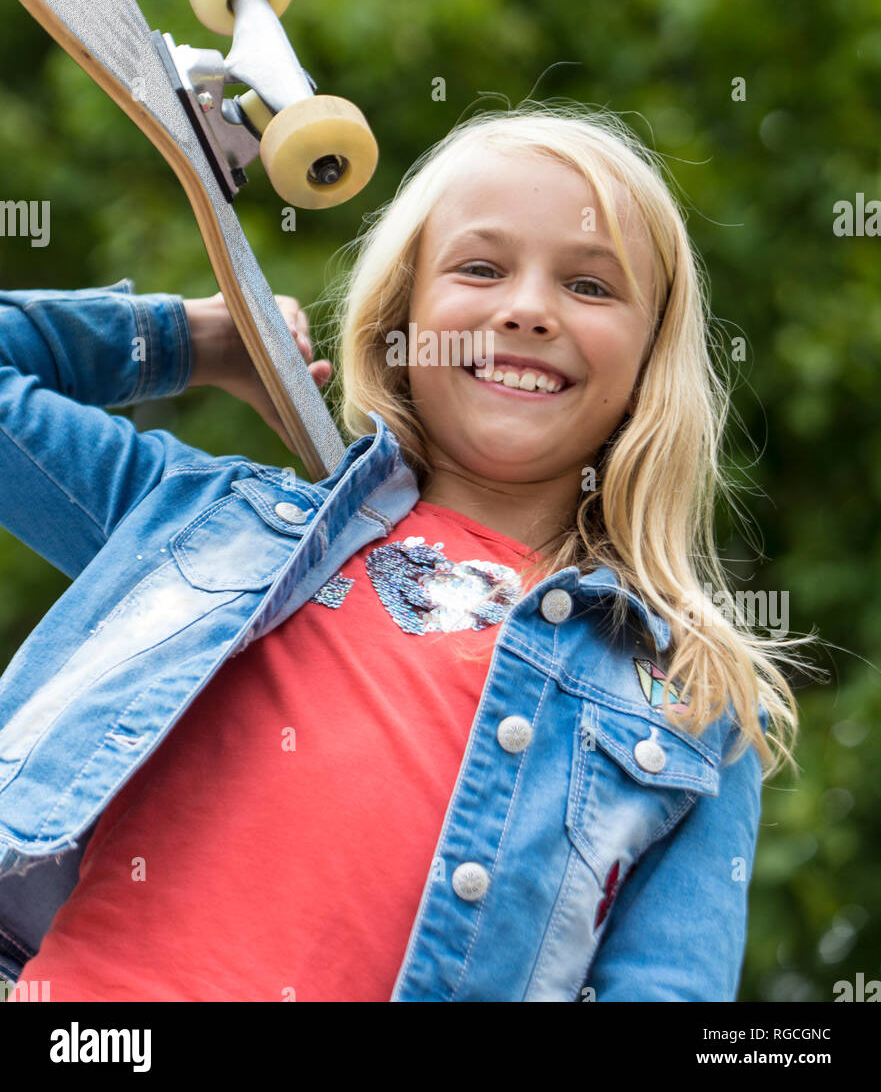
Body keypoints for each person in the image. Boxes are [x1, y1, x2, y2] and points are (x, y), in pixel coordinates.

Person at [0, 103, 806, 1002]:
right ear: (401, 321)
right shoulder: (209, 525)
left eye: (590, 286)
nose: (528, 308)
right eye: (479, 267)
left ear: (650, 361)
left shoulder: (697, 704)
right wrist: (194, 340)